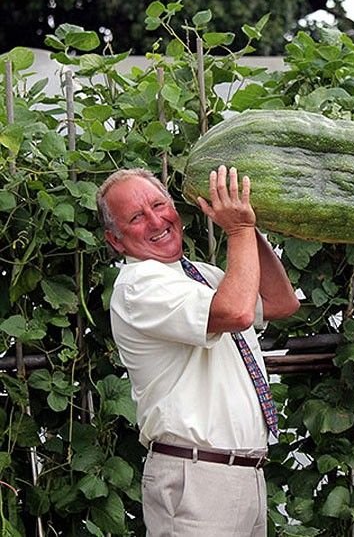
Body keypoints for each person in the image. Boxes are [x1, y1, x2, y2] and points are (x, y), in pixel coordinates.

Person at [97, 165, 300, 537]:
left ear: (174, 207)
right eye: (136, 217)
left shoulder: (202, 275)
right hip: (197, 481)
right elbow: (237, 313)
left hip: (241, 475)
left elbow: (281, 303)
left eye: (159, 205)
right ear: (116, 240)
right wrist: (237, 230)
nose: (156, 221)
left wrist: (248, 224)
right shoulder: (138, 286)